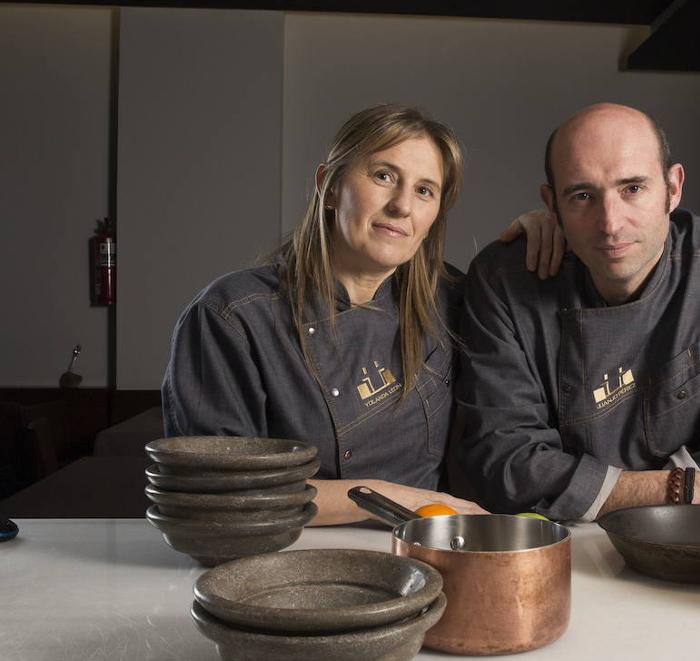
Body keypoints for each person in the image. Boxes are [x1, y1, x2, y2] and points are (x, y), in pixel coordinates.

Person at [162, 104, 563, 525]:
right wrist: (389, 498)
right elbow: (219, 493)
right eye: (383, 176)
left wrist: (543, 231)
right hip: (281, 561)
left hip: (420, 558)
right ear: (329, 187)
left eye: (425, 190)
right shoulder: (231, 318)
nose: (402, 206)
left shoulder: (450, 301)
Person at [455, 103, 700, 521]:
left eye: (632, 189)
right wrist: (688, 488)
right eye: (582, 196)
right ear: (552, 205)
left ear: (673, 188)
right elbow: (508, 464)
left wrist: (592, 492)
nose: (610, 223)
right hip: (555, 547)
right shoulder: (504, 280)